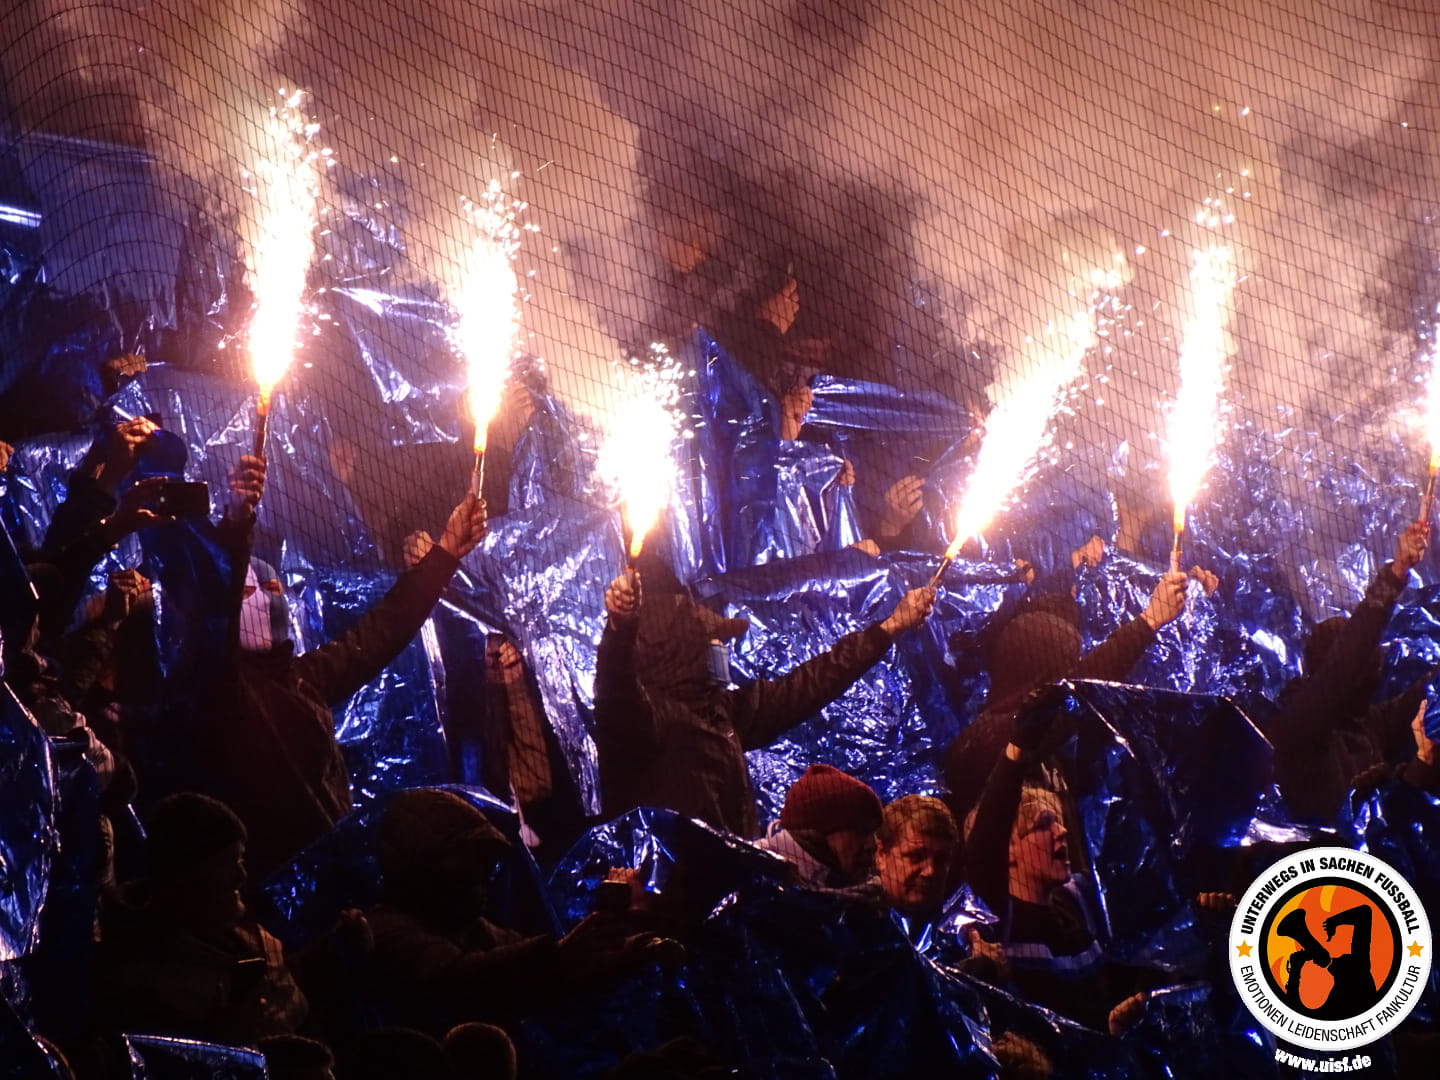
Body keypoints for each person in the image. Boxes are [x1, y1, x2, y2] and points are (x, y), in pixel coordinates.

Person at [181, 453, 487, 874]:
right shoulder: (219, 691)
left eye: (274, 585)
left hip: (328, 876)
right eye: (252, 590)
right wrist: (237, 520)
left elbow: (381, 631)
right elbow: (217, 596)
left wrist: (446, 552)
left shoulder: (304, 680)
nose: (270, 594)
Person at [595, 573, 936, 837]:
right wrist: (621, 630)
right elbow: (616, 686)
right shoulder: (646, 723)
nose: (722, 651)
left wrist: (889, 628)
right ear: (677, 651)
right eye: (712, 643)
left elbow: (812, 681)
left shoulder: (725, 714)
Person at [943, 564, 1191, 824]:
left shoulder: (1054, 752)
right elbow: (1067, 697)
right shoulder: (983, 741)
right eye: (1063, 669)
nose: (1066, 680)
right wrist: (1148, 621)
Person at [93, 793, 308, 1045]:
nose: (241, 874)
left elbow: (298, 1008)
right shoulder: (142, 978)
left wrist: (341, 954)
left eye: (241, 859)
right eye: (228, 862)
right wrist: (226, 1044)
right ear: (187, 875)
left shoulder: (245, 939)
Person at [1263, 521, 1434, 823]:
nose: (1375, 661)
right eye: (1364, 656)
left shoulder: (1368, 726)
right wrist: (1394, 576)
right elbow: (1343, 666)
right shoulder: (1298, 728)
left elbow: (1425, 694)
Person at [756, 763, 885, 890]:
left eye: (874, 832)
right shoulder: (754, 872)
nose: (872, 845)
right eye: (861, 831)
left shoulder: (853, 900)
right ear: (816, 832)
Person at [874, 794, 959, 924]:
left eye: (941, 860)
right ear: (880, 855)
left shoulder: (958, 932)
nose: (930, 871)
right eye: (916, 856)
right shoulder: (845, 927)